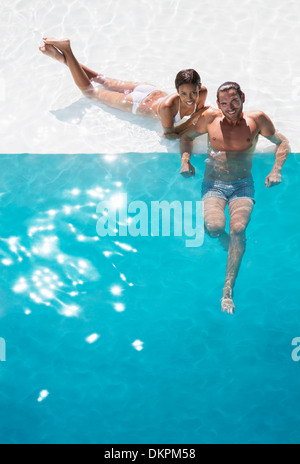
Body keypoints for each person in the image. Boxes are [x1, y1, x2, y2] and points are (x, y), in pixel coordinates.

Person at [180, 82, 290, 315]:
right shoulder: (210, 119)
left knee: (238, 229)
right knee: (214, 227)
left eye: (235, 101)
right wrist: (185, 160)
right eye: (225, 103)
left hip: (242, 185)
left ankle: (228, 288)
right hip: (213, 184)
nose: (231, 107)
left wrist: (276, 169)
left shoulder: (257, 120)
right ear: (218, 104)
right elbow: (186, 137)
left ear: (242, 97)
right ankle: (226, 242)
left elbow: (282, 142)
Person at [39, 38, 207, 176]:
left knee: (101, 79)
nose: (190, 99)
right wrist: (194, 122)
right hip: (136, 102)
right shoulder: (167, 107)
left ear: (200, 88)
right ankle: (67, 51)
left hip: (150, 90)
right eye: (183, 94)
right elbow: (170, 135)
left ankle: (62, 58)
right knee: (91, 92)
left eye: (193, 93)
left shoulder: (203, 93)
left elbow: (197, 112)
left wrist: (196, 118)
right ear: (177, 91)